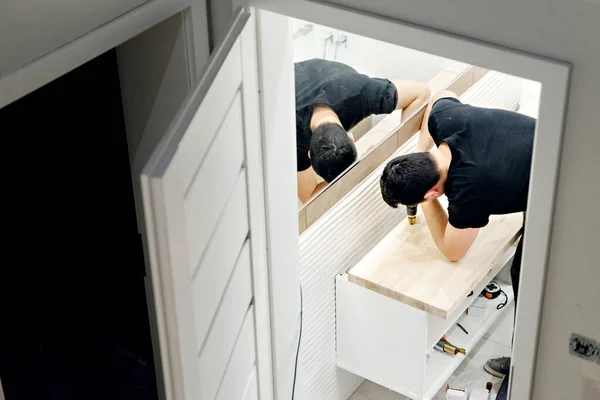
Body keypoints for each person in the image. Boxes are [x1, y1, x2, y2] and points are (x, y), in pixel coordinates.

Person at [379, 89, 535, 396]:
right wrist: (420, 153)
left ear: (430, 193)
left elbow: (453, 250)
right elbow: (440, 96)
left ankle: (526, 379)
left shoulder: (470, 187)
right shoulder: (446, 119)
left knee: (532, 280)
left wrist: (426, 202)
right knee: (523, 271)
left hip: (572, 188)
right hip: (554, 149)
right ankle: (526, 363)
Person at [295, 58, 431, 203]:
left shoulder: (358, 92)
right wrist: (361, 169)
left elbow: (421, 92)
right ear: (350, 137)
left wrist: (400, 154)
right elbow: (310, 201)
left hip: (331, 77)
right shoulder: (292, 138)